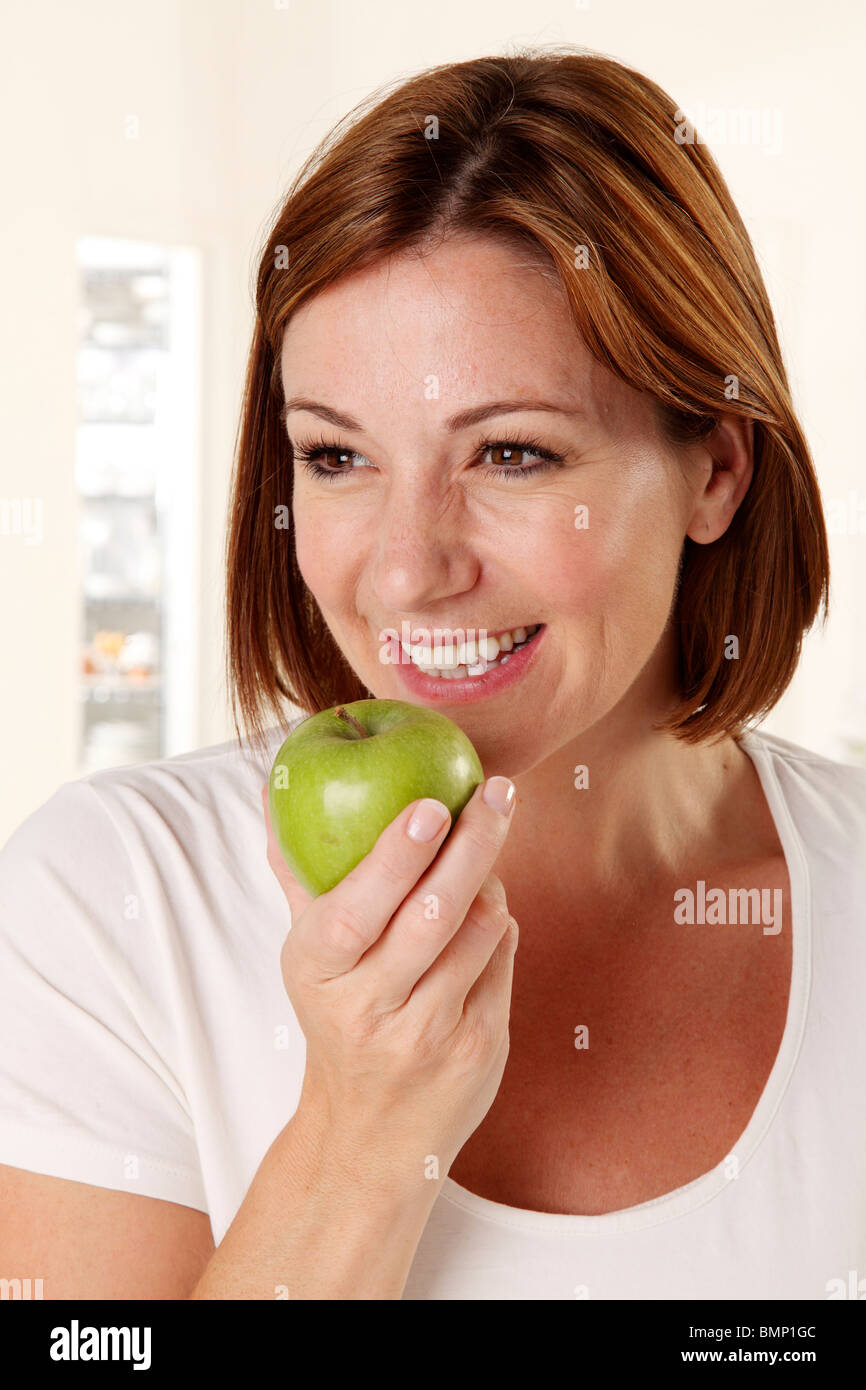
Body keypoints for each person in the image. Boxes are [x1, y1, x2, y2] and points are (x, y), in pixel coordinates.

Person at [2, 47, 864, 1301]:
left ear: (715, 471)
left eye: (511, 453)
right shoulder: (108, 906)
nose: (404, 572)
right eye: (338, 458)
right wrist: (363, 1136)